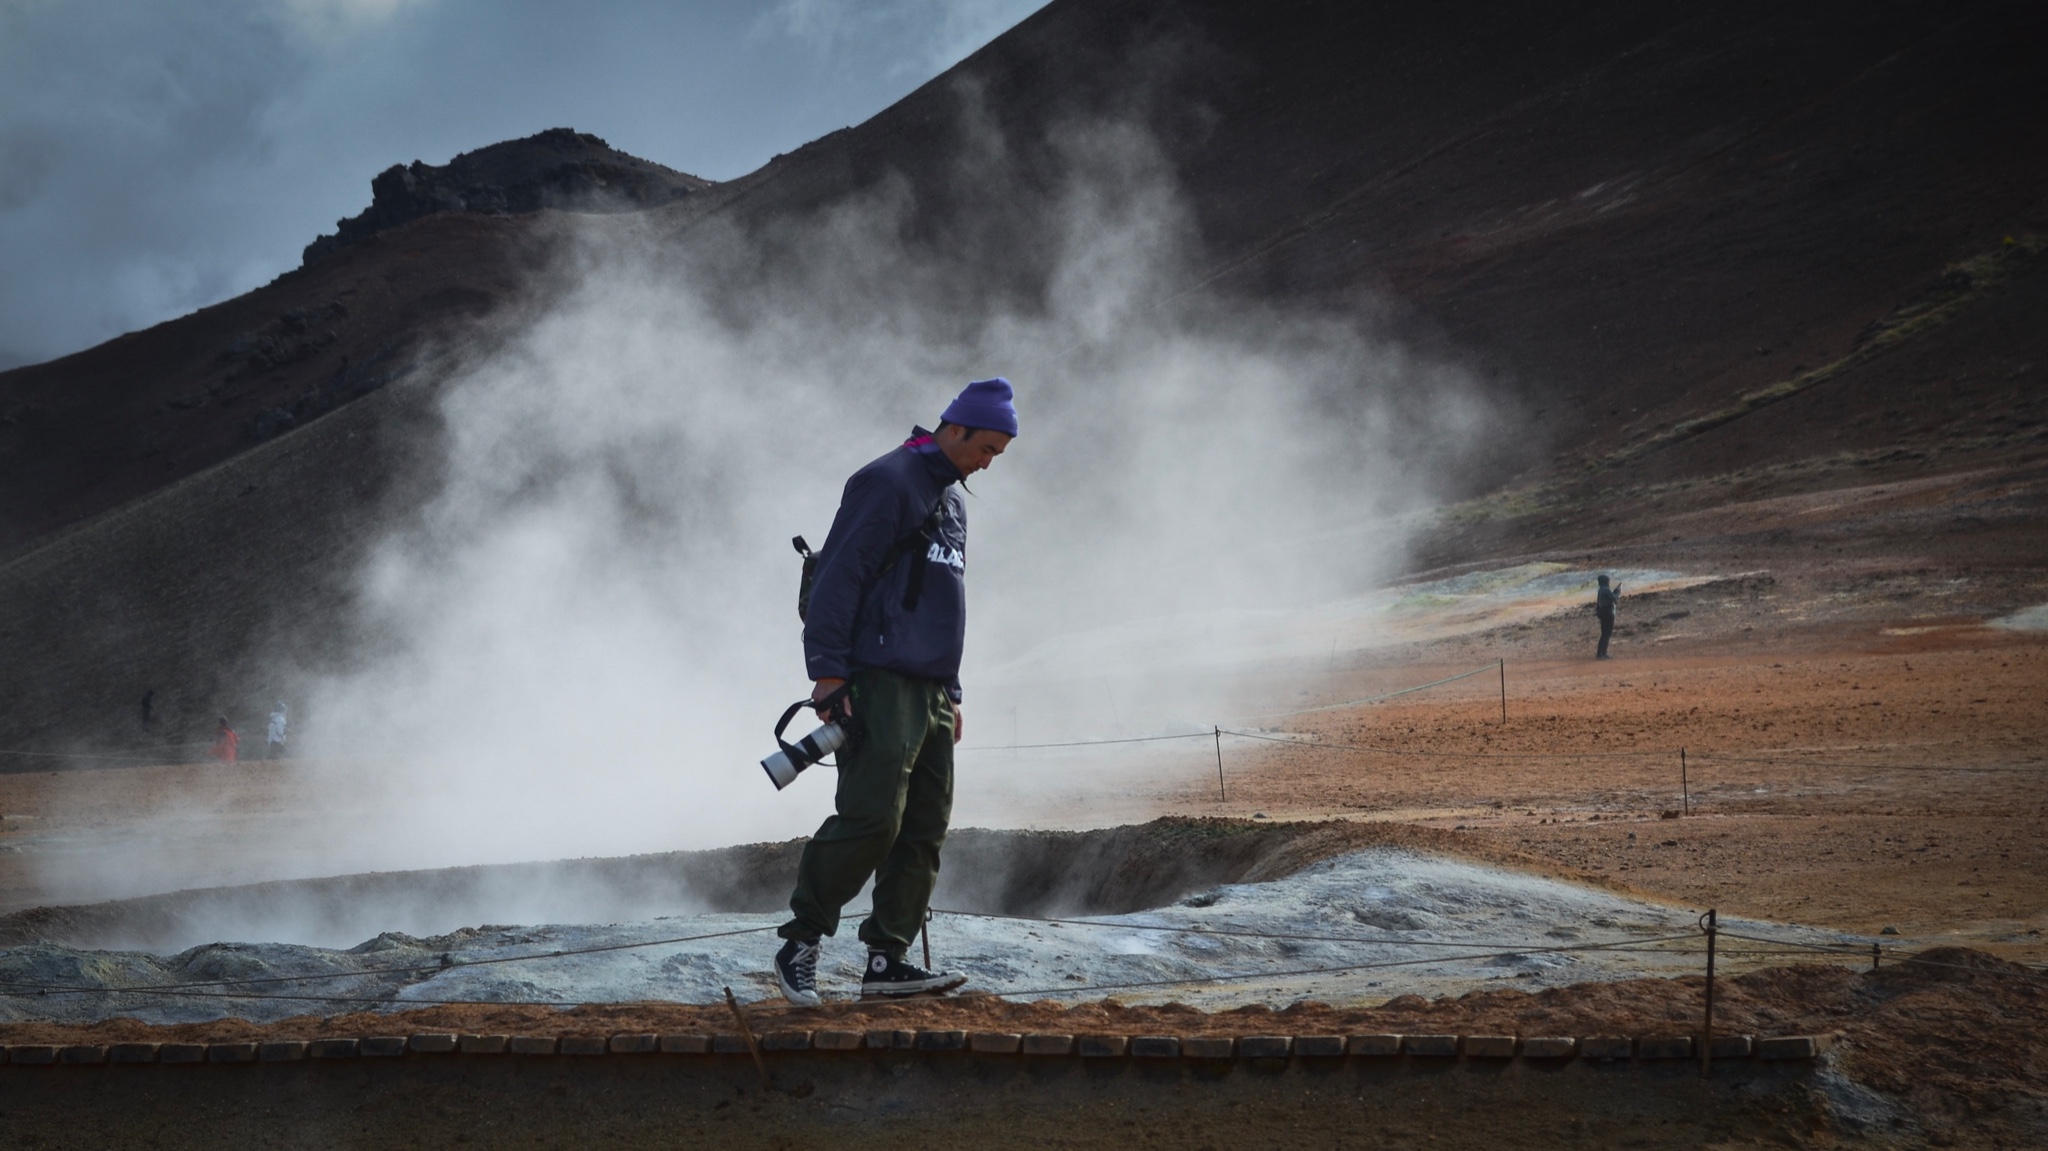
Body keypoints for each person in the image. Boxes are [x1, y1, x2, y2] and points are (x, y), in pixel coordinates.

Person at [772, 378, 1017, 1007]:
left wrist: (951, 692)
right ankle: (799, 943)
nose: (988, 463)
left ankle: (887, 962)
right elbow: (838, 578)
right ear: (954, 428)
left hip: (931, 690)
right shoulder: (888, 481)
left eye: (999, 453)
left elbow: (945, 602)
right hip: (877, 681)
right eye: (986, 448)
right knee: (874, 818)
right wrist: (828, 675)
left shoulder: (951, 499)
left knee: (923, 827)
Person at [1595, 574, 1622, 660]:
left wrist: (1615, 592)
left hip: (1603, 614)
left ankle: (1600, 653)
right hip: (1608, 614)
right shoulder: (1606, 590)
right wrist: (1618, 592)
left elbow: (1610, 598)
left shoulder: (1601, 590)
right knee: (1607, 634)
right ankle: (1602, 654)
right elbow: (1615, 599)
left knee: (1604, 634)